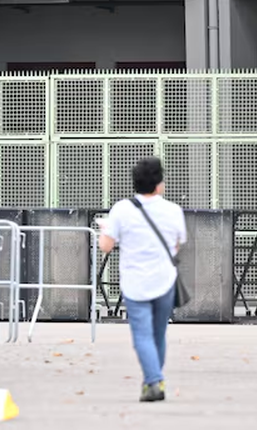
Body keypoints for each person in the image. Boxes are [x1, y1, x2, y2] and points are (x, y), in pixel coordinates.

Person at [97, 157, 187, 403]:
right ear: (159, 183)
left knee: (142, 336)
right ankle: (153, 381)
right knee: (158, 334)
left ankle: (154, 381)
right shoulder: (173, 210)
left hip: (135, 283)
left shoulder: (121, 210)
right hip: (165, 281)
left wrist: (105, 229)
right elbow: (177, 245)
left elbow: (106, 246)